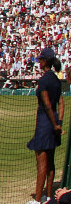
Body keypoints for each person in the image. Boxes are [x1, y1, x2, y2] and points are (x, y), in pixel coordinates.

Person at [27, 47, 64, 204]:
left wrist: (54, 124)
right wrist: (59, 123)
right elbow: (61, 103)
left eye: (40, 60)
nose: (39, 62)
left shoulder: (43, 81)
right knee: (50, 161)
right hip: (53, 122)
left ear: (44, 61)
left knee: (41, 162)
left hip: (44, 122)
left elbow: (47, 105)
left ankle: (37, 200)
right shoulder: (56, 80)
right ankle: (48, 196)